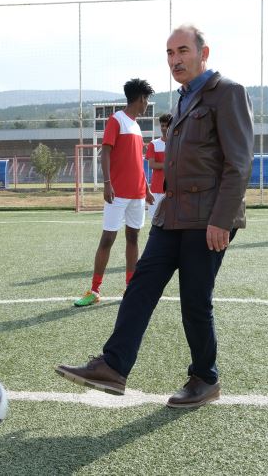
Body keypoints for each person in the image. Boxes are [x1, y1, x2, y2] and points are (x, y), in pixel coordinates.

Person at [56, 24, 254, 408]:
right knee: (141, 285)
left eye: (182, 50)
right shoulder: (181, 99)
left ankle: (205, 378)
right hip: (171, 215)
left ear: (203, 52)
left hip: (207, 218)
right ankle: (113, 366)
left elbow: (239, 161)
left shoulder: (227, 93)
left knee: (195, 300)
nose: (175, 59)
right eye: (169, 53)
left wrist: (222, 218)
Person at [73, 78, 156, 307]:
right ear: (140, 99)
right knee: (108, 238)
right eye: (146, 99)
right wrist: (107, 183)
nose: (147, 104)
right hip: (117, 193)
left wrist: (147, 189)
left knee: (133, 238)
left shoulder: (137, 126)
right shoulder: (116, 120)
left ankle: (130, 287)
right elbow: (105, 153)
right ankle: (94, 290)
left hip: (138, 194)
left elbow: (138, 162)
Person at [145, 113, 171, 220]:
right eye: (162, 126)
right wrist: (168, 165)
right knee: (154, 219)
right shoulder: (153, 144)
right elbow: (151, 164)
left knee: (171, 221)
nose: (164, 128)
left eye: (167, 126)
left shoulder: (178, 143)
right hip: (157, 188)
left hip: (173, 188)